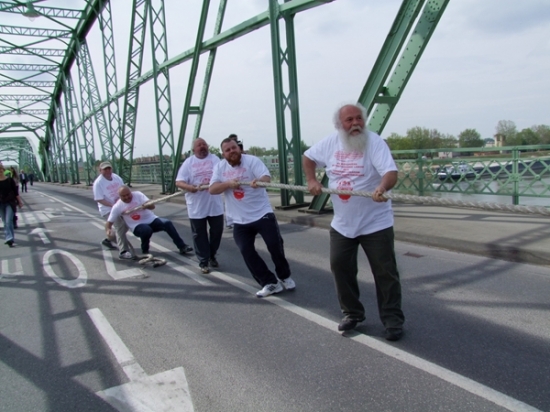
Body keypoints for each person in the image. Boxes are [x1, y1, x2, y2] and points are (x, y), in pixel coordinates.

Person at [302, 102, 405, 341]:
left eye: (359, 118)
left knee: (385, 273)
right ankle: (352, 313)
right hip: (343, 224)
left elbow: (390, 172)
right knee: (340, 267)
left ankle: (392, 320)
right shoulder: (330, 142)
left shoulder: (374, 142)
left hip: (375, 223)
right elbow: (308, 157)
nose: (355, 123)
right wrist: (311, 180)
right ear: (339, 125)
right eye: (349, 120)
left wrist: (382, 187)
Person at [209, 137, 295, 298]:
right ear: (223, 154)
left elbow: (266, 178)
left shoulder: (252, 161)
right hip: (239, 219)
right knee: (246, 251)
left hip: (262, 213)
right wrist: (227, 184)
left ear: (239, 148)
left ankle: (284, 275)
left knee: (275, 245)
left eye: (234, 148)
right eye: (228, 150)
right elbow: (212, 189)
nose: (232, 151)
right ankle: (270, 282)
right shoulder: (219, 167)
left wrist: (259, 181)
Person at [175, 138, 224, 274]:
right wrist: (189, 187)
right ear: (193, 150)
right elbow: (179, 182)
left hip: (214, 205)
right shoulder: (188, 163)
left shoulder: (215, 159)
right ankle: (203, 261)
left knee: (217, 231)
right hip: (196, 206)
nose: (202, 147)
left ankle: (212, 254)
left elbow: (223, 175)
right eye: (199, 145)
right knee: (199, 234)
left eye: (204, 144)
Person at [106, 186, 193, 256]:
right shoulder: (118, 206)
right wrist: (108, 230)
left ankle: (182, 246)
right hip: (137, 226)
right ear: (120, 196)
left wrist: (147, 205)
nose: (127, 197)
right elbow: (109, 223)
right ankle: (145, 250)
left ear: (131, 192)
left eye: (128, 194)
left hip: (152, 220)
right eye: (123, 196)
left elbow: (152, 207)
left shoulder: (138, 195)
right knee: (146, 229)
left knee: (167, 223)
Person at [93, 161, 136, 259]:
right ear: (100, 170)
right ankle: (124, 251)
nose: (108, 171)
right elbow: (99, 199)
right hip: (107, 209)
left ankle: (108, 240)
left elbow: (124, 189)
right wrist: (113, 205)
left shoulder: (116, 177)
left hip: (119, 206)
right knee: (120, 226)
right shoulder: (98, 183)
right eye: (105, 169)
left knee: (126, 225)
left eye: (109, 168)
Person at [0, 163, 23, 247]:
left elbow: (16, 192)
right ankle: (10, 238)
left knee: (8, 221)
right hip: (0, 204)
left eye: (0, 169)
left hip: (10, 202)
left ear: (3, 170)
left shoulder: (10, 180)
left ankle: (9, 238)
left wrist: (19, 202)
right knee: (5, 222)